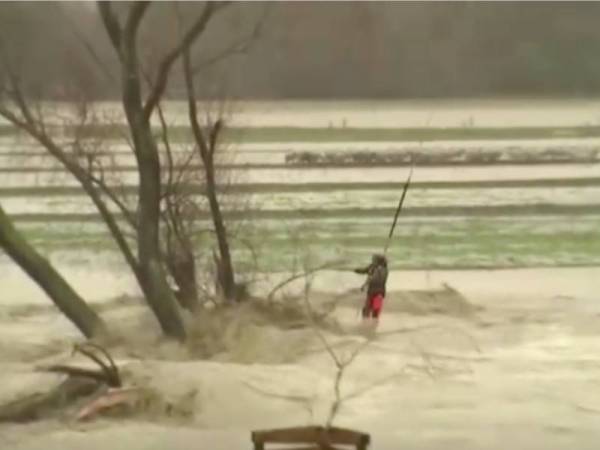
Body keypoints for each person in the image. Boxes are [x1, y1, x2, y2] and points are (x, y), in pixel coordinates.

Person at [354, 254, 388, 320]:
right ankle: (365, 321)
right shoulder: (372, 267)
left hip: (379, 292)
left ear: (378, 261)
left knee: (376, 309)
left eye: (374, 260)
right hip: (371, 291)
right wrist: (356, 270)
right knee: (367, 308)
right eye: (373, 259)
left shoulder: (384, 270)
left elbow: (377, 279)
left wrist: (365, 285)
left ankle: (373, 323)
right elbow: (364, 271)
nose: (372, 261)